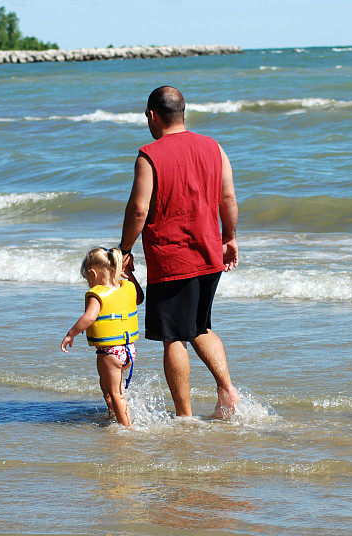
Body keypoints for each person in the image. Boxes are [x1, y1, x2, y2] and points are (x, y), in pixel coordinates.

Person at [118, 85, 240, 419]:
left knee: (173, 336)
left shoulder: (149, 154)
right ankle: (228, 392)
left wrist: (124, 249)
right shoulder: (214, 147)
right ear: (182, 113)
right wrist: (229, 238)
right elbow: (228, 198)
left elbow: (139, 210)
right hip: (210, 253)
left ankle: (184, 417)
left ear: (152, 115)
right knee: (200, 326)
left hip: (172, 259)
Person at [61, 247, 144, 426]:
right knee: (107, 387)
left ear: (93, 273)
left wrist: (71, 334)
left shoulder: (98, 294)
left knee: (116, 393)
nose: (89, 283)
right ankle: (113, 416)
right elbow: (138, 298)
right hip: (128, 349)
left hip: (110, 352)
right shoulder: (127, 286)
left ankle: (126, 427)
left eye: (88, 279)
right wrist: (124, 274)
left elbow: (89, 317)